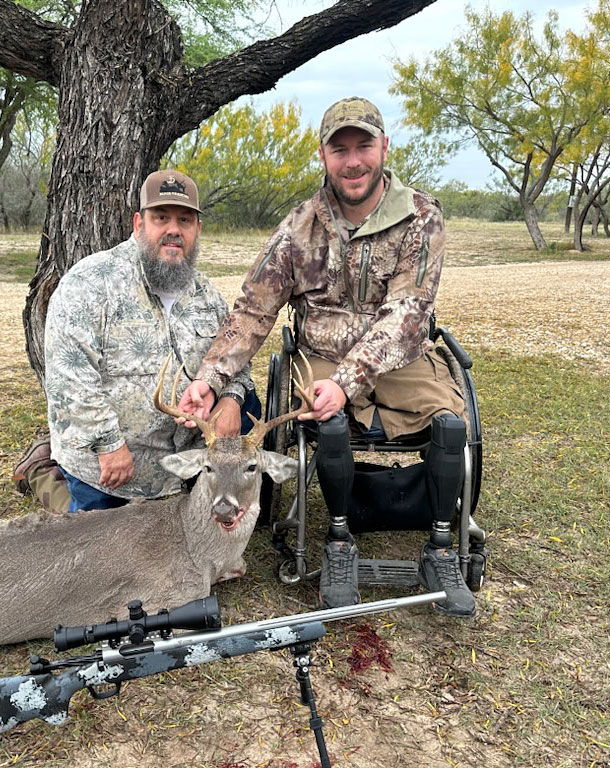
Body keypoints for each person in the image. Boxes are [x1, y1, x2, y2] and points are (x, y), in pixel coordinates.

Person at [177, 97, 473, 617]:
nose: (353, 160)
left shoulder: (421, 216)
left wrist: (350, 378)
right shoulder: (298, 227)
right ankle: (337, 543)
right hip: (318, 354)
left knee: (451, 424)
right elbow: (253, 311)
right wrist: (210, 376)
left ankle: (442, 547)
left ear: (384, 147)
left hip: (401, 358)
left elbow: (408, 312)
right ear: (324, 156)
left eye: (363, 146)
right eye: (340, 150)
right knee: (326, 418)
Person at [12, 169, 259, 514]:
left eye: (184, 220)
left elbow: (237, 364)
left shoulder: (208, 296)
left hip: (181, 466)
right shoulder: (89, 284)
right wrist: (107, 443)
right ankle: (41, 473)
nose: (174, 229)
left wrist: (230, 400)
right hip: (108, 467)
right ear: (139, 223)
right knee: (98, 554)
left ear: (197, 230)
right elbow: (67, 378)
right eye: (161, 217)